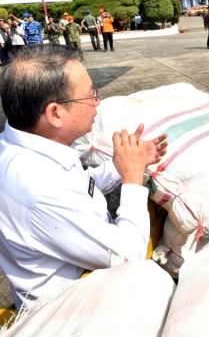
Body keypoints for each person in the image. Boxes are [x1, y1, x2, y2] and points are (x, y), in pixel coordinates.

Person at [0, 45, 168, 310]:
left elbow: (82, 187)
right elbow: (128, 256)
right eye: (90, 95)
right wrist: (133, 178)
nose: (96, 102)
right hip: (72, 312)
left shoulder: (24, 147)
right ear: (55, 113)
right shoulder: (39, 188)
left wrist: (122, 165)